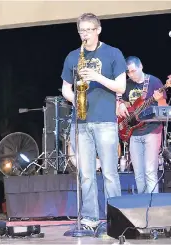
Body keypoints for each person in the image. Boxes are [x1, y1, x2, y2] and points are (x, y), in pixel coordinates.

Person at [61, 13, 127, 230]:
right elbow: (65, 89)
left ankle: (116, 217)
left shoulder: (113, 53)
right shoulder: (73, 56)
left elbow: (121, 87)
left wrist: (97, 77)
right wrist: (78, 100)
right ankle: (89, 218)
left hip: (105, 121)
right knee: (86, 174)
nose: (85, 34)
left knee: (109, 172)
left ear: (98, 30)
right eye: (82, 31)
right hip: (80, 121)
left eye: (89, 30)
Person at [117, 56, 167, 194]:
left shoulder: (154, 82)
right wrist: (121, 105)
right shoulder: (126, 85)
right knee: (138, 173)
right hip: (134, 132)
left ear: (141, 67)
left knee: (150, 171)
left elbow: (164, 108)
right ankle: (142, 204)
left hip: (152, 131)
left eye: (133, 71)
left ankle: (153, 207)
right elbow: (125, 103)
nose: (131, 75)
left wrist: (160, 98)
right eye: (128, 72)